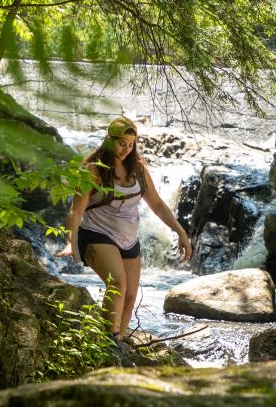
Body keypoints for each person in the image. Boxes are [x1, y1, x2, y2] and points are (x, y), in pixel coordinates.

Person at [56, 116, 192, 341]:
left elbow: (157, 204)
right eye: (122, 144)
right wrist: (71, 241)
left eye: (131, 145)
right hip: (96, 234)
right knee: (117, 284)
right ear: (109, 141)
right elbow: (76, 209)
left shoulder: (138, 169)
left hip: (128, 240)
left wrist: (181, 231)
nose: (126, 149)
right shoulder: (94, 170)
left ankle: (118, 342)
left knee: (130, 296)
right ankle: (109, 345)